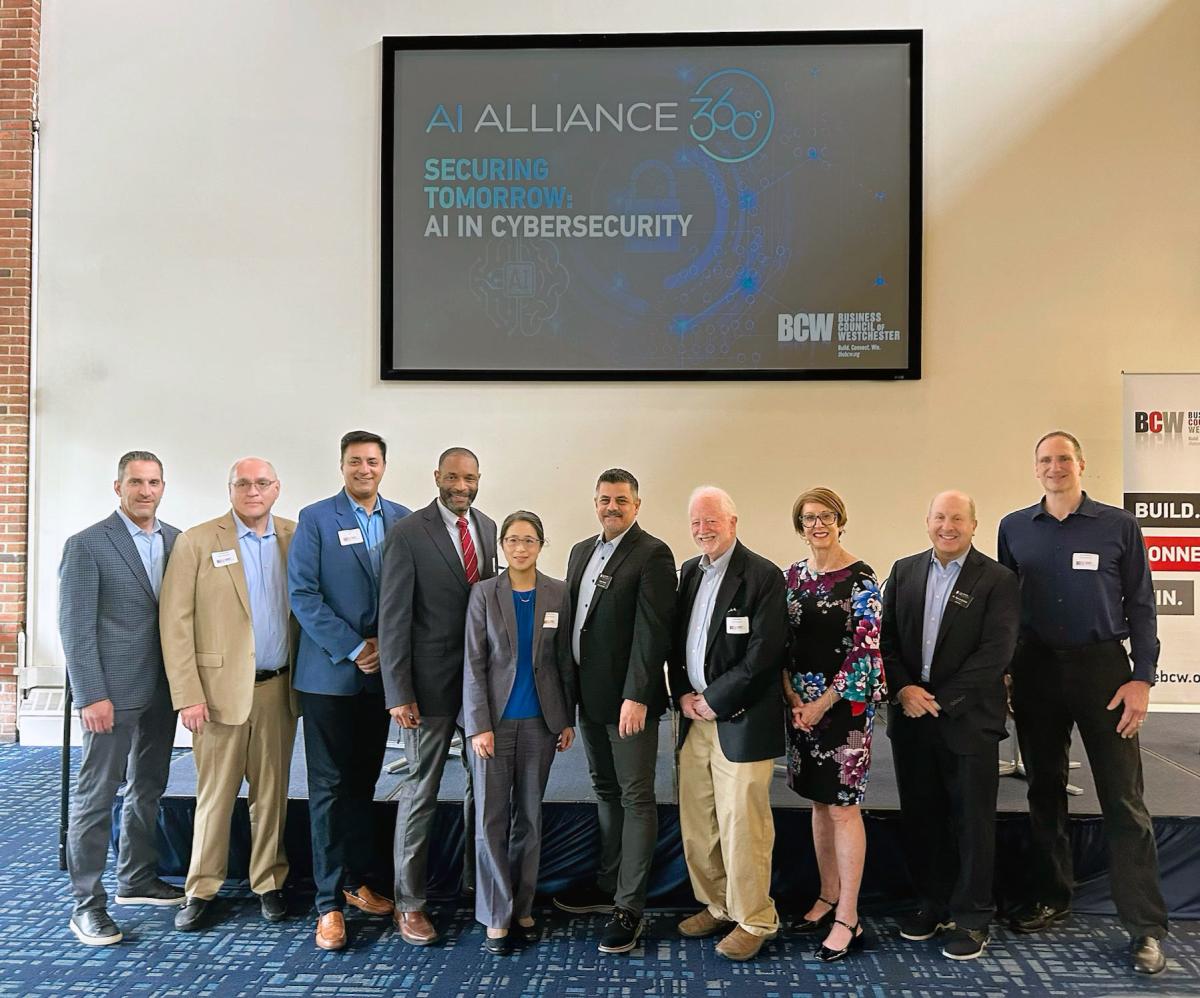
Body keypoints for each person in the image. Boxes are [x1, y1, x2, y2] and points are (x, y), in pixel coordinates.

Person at [998, 431, 1169, 975]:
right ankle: (1052, 895)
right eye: (1045, 459)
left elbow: (1141, 604)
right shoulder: (1014, 527)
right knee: (1044, 789)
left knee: (1124, 799)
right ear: (1035, 468)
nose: (1055, 467)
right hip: (1035, 669)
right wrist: (1005, 670)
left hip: (1103, 671)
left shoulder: (1118, 525)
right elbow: (1005, 607)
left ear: (1081, 464)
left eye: (1063, 458)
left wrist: (1142, 678)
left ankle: (1144, 926)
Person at [161, 457, 299, 932]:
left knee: (272, 795)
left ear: (277, 489)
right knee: (215, 795)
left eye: (263, 483)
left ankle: (269, 881)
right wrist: (187, 694)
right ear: (230, 489)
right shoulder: (198, 542)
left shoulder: (294, 537)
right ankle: (201, 887)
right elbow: (175, 624)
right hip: (216, 694)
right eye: (244, 483)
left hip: (278, 688)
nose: (253, 491)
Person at [880, 491, 1019, 960]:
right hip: (911, 717)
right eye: (940, 517)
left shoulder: (997, 579)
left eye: (957, 518)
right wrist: (903, 691)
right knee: (922, 818)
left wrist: (939, 700)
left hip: (967, 721)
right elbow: (886, 641)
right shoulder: (904, 571)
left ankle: (973, 915)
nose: (948, 525)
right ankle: (931, 903)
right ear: (927, 521)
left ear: (974, 525)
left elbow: (995, 653)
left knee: (972, 822)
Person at [288, 430, 412, 950]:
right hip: (331, 677)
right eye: (355, 461)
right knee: (328, 788)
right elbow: (303, 593)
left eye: (373, 461)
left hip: (383, 675)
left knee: (364, 784)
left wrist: (386, 645)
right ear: (342, 465)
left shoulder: (403, 518)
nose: (365, 469)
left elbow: (410, 590)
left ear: (384, 466)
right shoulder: (317, 518)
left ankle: (357, 881)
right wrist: (353, 647)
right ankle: (328, 905)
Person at [59, 451, 183, 945]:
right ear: (118, 487)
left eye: (153, 482)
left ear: (162, 486)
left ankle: (136, 877)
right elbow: (75, 627)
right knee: (95, 796)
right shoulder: (87, 545)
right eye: (135, 482)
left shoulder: (177, 541)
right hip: (110, 693)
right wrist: (91, 694)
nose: (145, 491)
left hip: (164, 689)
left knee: (148, 786)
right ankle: (86, 903)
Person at [552, 469, 676, 954]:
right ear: (595, 502)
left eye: (621, 500)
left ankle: (630, 905)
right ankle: (607, 884)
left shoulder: (652, 554)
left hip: (628, 703)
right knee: (604, 788)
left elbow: (653, 632)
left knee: (635, 796)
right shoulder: (581, 551)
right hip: (588, 696)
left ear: (637, 505)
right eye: (604, 499)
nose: (612, 507)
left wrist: (639, 694)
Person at [379, 446, 498, 946]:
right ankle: (410, 903)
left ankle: (479, 889)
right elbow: (393, 617)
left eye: (469, 477)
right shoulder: (408, 533)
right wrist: (398, 691)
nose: (461, 485)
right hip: (426, 691)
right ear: (437, 477)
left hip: (480, 688)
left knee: (484, 790)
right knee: (421, 793)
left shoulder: (489, 528)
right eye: (453, 477)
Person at [668, 486, 786, 962]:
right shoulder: (690, 573)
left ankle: (756, 917)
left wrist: (713, 700)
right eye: (696, 522)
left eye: (712, 520)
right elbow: (676, 644)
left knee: (744, 824)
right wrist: (682, 695)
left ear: (734, 522)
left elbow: (764, 655)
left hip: (741, 720)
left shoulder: (762, 575)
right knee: (700, 822)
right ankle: (719, 904)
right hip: (694, 720)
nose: (703, 530)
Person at [462, 511, 577, 955]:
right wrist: (478, 726)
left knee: (529, 818)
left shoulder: (558, 593)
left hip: (541, 726)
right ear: (502, 546)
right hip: (493, 726)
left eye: (529, 540)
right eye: (512, 540)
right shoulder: (484, 594)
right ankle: (496, 914)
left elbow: (564, 662)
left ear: (541, 545)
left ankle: (523, 907)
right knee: (491, 819)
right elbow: (472, 663)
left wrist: (565, 719)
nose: (520, 547)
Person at [782, 487, 884, 962]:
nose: (817, 525)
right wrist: (794, 698)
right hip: (801, 710)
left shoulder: (862, 579)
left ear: (841, 520)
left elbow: (866, 652)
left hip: (843, 711)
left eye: (825, 516)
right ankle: (825, 894)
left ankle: (848, 914)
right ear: (799, 525)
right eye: (808, 518)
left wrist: (821, 703)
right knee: (818, 806)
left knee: (843, 808)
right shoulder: (791, 578)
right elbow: (778, 645)